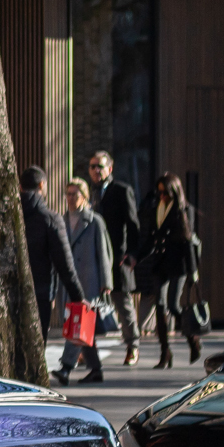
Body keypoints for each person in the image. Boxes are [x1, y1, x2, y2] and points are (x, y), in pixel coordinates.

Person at [136, 173, 201, 368]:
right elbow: (150, 239)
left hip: (178, 263)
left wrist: (193, 271)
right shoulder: (158, 207)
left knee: (173, 306)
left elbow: (188, 241)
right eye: (159, 192)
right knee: (161, 306)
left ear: (174, 192)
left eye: (165, 193)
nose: (161, 196)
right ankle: (165, 352)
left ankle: (193, 339)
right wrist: (135, 258)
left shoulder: (184, 209)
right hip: (160, 263)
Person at [19, 168, 85, 358]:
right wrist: (77, 296)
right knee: (36, 346)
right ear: (42, 185)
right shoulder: (49, 218)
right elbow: (64, 263)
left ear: (21, 187)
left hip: (8, 292)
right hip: (40, 292)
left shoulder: (6, 216)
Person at [84, 151, 140, 365]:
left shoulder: (122, 191)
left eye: (100, 166)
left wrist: (132, 254)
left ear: (110, 168)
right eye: (92, 166)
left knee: (122, 304)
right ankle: (86, 351)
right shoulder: (89, 193)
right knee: (89, 305)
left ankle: (132, 345)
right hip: (93, 259)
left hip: (117, 258)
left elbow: (133, 225)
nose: (96, 170)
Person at [57, 178, 111, 384]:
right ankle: (96, 369)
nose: (71, 198)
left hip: (89, 282)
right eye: (68, 194)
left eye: (75, 194)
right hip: (68, 283)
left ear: (84, 196)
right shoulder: (61, 220)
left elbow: (104, 253)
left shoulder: (95, 221)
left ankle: (65, 368)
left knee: (78, 325)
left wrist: (106, 283)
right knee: (83, 327)